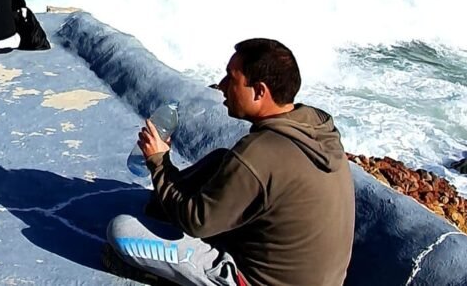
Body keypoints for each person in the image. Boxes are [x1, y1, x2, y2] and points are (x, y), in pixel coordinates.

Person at [106, 38, 355, 286]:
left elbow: (195, 222)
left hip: (256, 281)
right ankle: (167, 207)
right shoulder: (317, 129)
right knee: (220, 161)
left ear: (259, 91)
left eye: (231, 78)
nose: (222, 86)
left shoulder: (260, 152)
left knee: (122, 231)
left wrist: (158, 162)